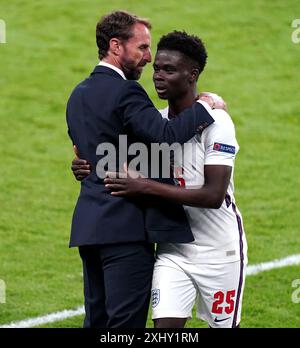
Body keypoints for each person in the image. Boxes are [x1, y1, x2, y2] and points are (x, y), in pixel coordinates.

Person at [75, 31, 247, 328]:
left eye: (169, 70)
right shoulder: (155, 122)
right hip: (173, 251)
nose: (158, 76)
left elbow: (213, 195)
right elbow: (117, 162)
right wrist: (84, 166)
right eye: (156, 68)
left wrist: (145, 186)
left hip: (220, 252)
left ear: (192, 75)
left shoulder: (218, 124)